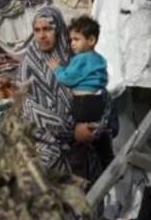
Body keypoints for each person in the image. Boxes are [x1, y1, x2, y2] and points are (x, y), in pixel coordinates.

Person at [18, 6, 114, 220]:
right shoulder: (29, 64)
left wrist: (97, 128)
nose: (43, 36)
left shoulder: (79, 57)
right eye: (37, 30)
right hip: (48, 155)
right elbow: (27, 109)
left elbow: (104, 97)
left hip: (84, 155)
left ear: (59, 29)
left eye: (48, 29)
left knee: (84, 219)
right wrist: (69, 130)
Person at [48, 15, 113, 169]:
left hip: (83, 103)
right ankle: (107, 159)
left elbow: (68, 79)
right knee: (97, 135)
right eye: (71, 40)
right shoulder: (98, 59)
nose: (72, 44)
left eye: (76, 39)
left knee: (80, 136)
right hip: (97, 101)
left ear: (91, 40)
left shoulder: (81, 59)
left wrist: (57, 69)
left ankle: (80, 161)